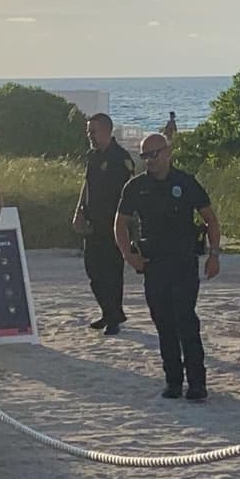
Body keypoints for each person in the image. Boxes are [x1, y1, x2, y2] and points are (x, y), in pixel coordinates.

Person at [114, 133, 220, 400]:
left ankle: (197, 383)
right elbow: (120, 223)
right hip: (154, 264)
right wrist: (129, 255)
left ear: (168, 152)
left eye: (154, 154)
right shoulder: (136, 187)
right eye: (144, 155)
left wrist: (214, 254)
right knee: (163, 323)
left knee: (186, 320)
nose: (149, 160)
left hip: (183, 262)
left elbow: (210, 220)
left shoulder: (185, 183)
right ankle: (173, 381)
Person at [72, 113, 136, 335]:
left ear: (107, 131)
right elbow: (87, 185)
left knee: (111, 271)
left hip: (113, 224)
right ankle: (108, 311)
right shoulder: (92, 156)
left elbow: (129, 195)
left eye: (94, 131)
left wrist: (126, 225)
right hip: (93, 223)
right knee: (93, 270)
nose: (90, 136)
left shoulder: (121, 158)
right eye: (88, 132)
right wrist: (79, 210)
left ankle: (114, 316)